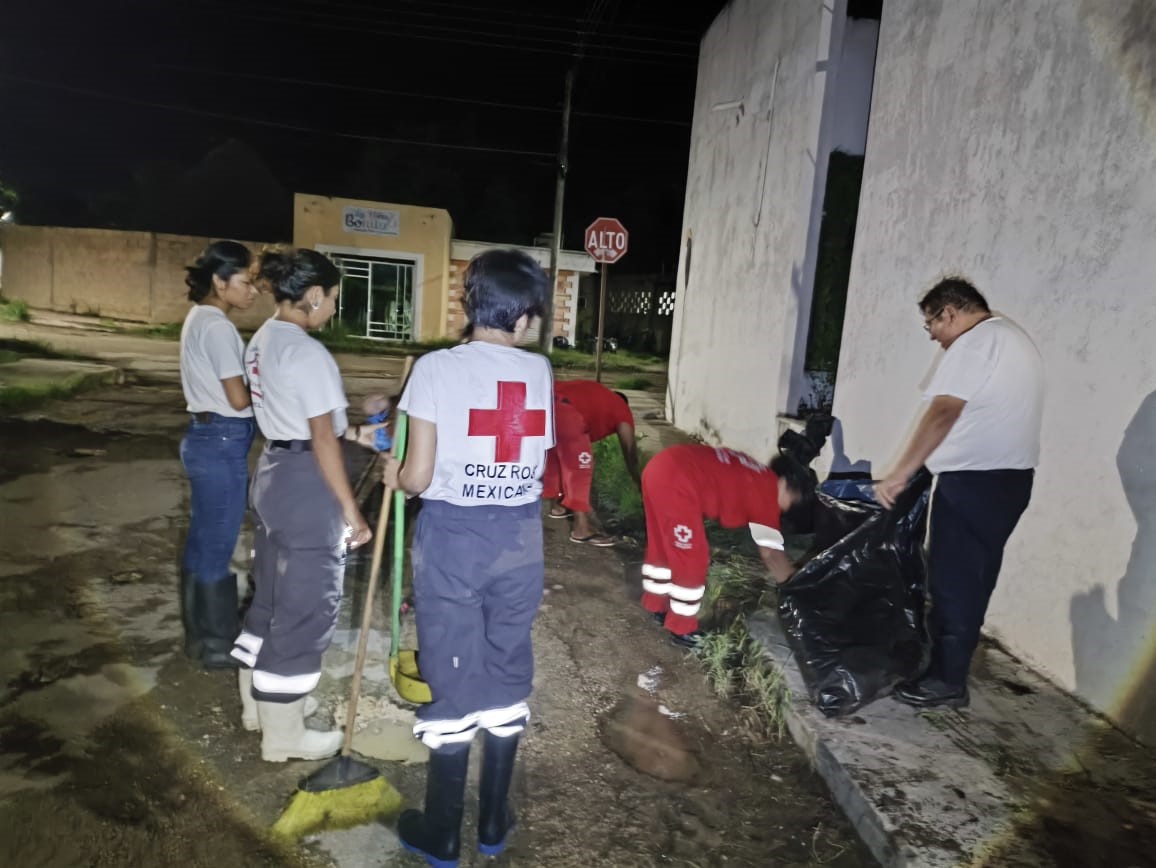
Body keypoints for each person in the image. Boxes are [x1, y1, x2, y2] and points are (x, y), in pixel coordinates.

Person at [382, 248, 554, 866]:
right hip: (520, 540)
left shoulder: (434, 368)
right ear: (527, 315)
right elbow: (528, 456)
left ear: (469, 304)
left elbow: (421, 477)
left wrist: (394, 473)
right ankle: (491, 823)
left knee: (451, 673)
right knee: (507, 661)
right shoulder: (539, 374)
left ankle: (443, 833)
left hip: (455, 539)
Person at [228, 246, 373, 762]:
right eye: (332, 298)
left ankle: (256, 708)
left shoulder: (264, 339)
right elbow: (322, 441)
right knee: (306, 608)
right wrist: (352, 513)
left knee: (269, 598)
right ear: (313, 295)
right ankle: (285, 736)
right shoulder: (309, 352)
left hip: (273, 473)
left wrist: (359, 427)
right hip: (307, 484)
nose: (333, 308)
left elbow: (307, 421)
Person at [874, 277, 1043, 710]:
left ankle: (947, 681)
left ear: (949, 312)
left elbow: (944, 412)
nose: (933, 335)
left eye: (931, 324)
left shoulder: (977, 341)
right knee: (974, 579)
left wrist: (900, 473)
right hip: (1007, 481)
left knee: (952, 583)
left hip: (974, 482)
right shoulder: (1012, 337)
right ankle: (948, 669)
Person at [639, 443, 814, 648]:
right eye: (793, 500)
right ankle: (681, 627)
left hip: (660, 467)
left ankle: (656, 604)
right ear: (785, 485)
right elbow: (771, 553)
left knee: (661, 544)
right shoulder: (767, 491)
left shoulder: (758, 474)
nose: (787, 508)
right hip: (677, 481)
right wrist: (795, 587)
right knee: (692, 557)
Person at [178, 240, 259, 670]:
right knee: (216, 546)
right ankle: (216, 644)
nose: (252, 292)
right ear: (219, 281)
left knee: (200, 543)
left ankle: (198, 638)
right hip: (223, 440)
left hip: (205, 437)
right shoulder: (218, 327)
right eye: (245, 282)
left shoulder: (199, 318)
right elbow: (238, 396)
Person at [542, 379, 641, 546]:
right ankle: (582, 530)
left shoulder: (595, 392)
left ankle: (558, 506)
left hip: (544, 404)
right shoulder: (621, 407)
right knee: (580, 469)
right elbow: (629, 448)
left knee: (557, 458)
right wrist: (639, 481)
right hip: (567, 411)